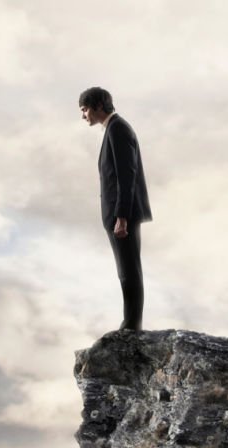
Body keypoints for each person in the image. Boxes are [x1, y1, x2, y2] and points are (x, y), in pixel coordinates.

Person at [79, 86, 152, 331]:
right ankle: (131, 323)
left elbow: (126, 175)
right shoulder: (113, 128)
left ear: (98, 106)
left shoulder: (118, 129)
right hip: (120, 214)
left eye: (85, 109)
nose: (83, 115)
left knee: (128, 270)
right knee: (127, 269)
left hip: (124, 215)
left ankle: (132, 325)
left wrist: (121, 217)